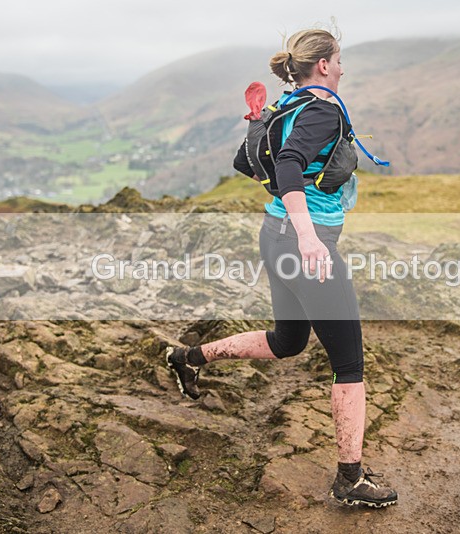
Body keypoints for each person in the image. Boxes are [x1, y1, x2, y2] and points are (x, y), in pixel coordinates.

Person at [166, 27, 398, 508]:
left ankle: (187, 359)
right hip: (302, 244)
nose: (343, 66)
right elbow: (288, 163)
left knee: (287, 341)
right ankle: (350, 479)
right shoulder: (324, 110)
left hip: (275, 235)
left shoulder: (286, 105)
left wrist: (291, 211)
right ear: (325, 65)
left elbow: (245, 162)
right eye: (339, 58)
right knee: (349, 364)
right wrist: (309, 235)